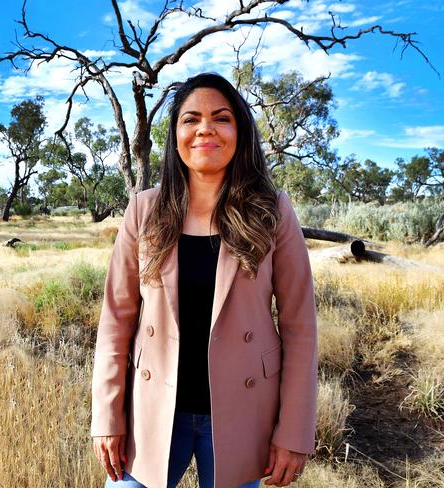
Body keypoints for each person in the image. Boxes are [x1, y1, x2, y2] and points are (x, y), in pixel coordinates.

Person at [91, 72, 318, 488]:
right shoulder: (145, 210)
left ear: (240, 131)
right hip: (153, 408)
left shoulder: (273, 211)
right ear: (176, 134)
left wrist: (295, 431)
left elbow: (300, 328)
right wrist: (107, 415)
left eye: (221, 118)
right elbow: (115, 321)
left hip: (245, 411)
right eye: (191, 119)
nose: (205, 129)